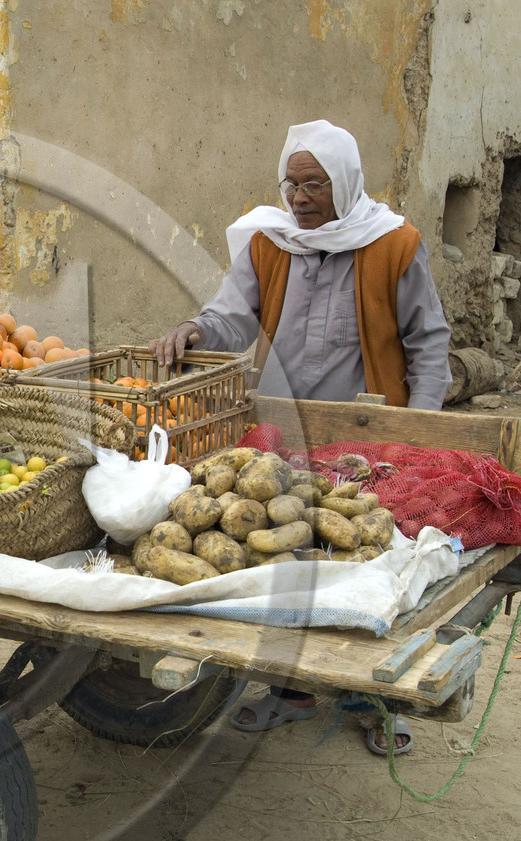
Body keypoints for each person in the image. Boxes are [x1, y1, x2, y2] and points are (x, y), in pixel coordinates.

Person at [150, 120, 452, 755]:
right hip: (281, 438)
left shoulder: (395, 245)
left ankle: (372, 698)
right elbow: (231, 317)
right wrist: (195, 330)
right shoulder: (270, 242)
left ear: (345, 182)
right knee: (286, 559)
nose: (299, 197)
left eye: (314, 184)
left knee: (367, 559)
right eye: (291, 184)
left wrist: (417, 431)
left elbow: (429, 343)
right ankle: (291, 692)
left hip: (368, 441)